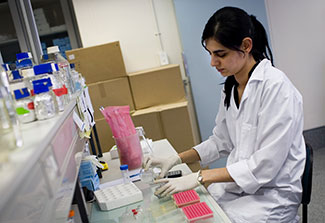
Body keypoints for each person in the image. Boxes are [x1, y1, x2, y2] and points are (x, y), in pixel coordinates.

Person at [143, 6, 306, 223]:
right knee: (189, 210)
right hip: (237, 188)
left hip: (272, 196)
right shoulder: (231, 86)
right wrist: (176, 158)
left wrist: (201, 176)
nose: (213, 62)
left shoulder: (276, 88)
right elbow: (220, 141)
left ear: (246, 46)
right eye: (210, 54)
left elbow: (265, 165)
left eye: (221, 54)